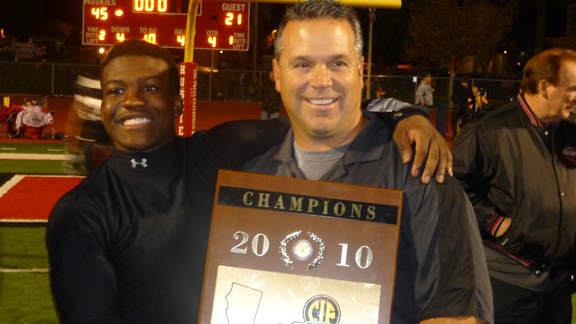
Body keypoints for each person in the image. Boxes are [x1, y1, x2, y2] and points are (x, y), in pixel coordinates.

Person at [46, 39, 452, 324]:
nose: (132, 101)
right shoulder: (81, 213)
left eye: (150, 88)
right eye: (116, 91)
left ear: (176, 102)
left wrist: (405, 114)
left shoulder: (218, 151)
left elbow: (322, 116)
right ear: (104, 106)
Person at [243, 1, 492, 323]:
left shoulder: (420, 172)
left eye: (337, 64)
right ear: (277, 74)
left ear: (360, 70)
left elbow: (456, 314)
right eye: (302, 64)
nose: (321, 80)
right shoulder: (253, 177)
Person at [452, 48, 576, 324]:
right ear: (545, 87)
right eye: (572, 89)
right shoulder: (488, 130)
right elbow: (453, 191)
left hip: (558, 287)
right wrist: (498, 225)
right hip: (505, 287)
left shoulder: (571, 131)